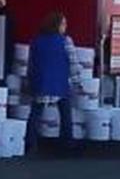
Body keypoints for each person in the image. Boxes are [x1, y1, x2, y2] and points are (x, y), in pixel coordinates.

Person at [25, 11, 74, 153]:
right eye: (63, 23)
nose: (65, 26)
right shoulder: (66, 41)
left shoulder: (36, 41)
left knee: (35, 113)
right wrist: (77, 81)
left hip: (40, 82)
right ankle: (67, 142)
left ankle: (30, 143)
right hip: (60, 83)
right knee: (65, 113)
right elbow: (73, 63)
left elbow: (30, 63)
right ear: (57, 25)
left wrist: (29, 80)